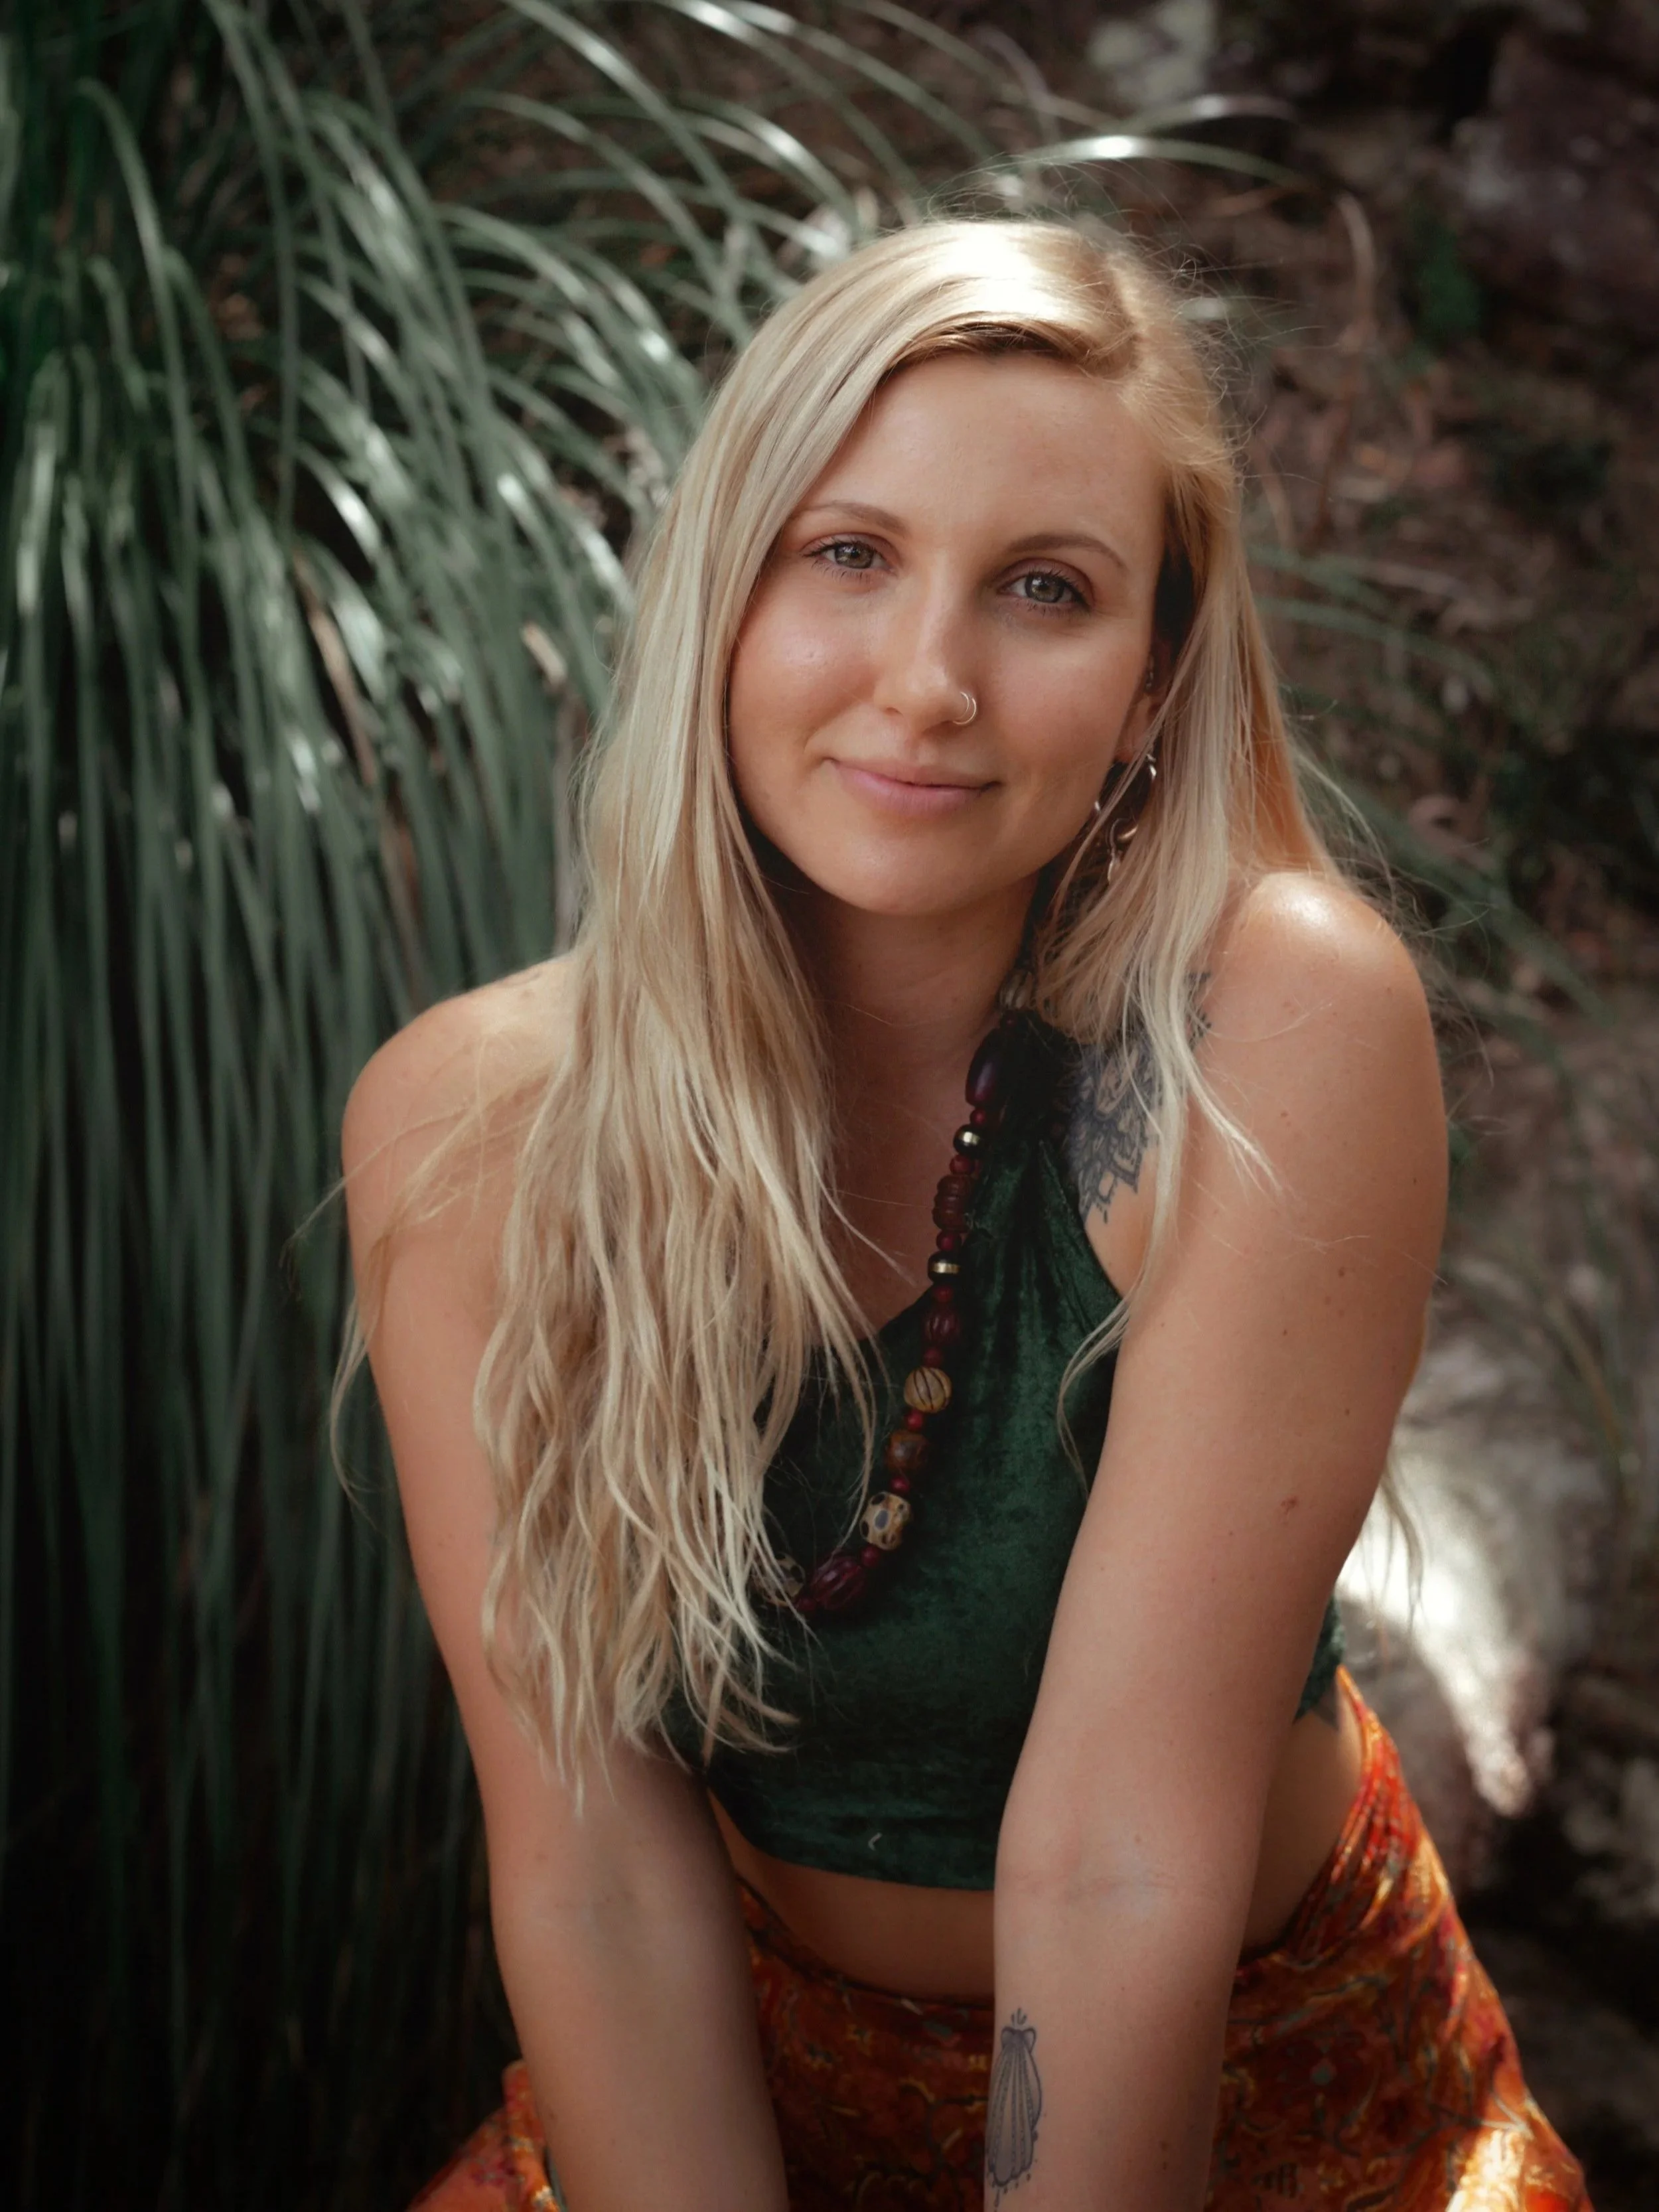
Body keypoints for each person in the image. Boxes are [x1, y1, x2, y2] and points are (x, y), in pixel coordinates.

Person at [342, 220, 1588, 2211]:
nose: (926, 684)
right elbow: (594, 1863)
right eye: (847, 554)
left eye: (1045, 590)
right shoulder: (469, 1126)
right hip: (741, 2097)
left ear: (1152, 679)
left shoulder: (1270, 1028)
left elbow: (1117, 1857)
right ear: (722, 594)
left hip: (1266, 2101)